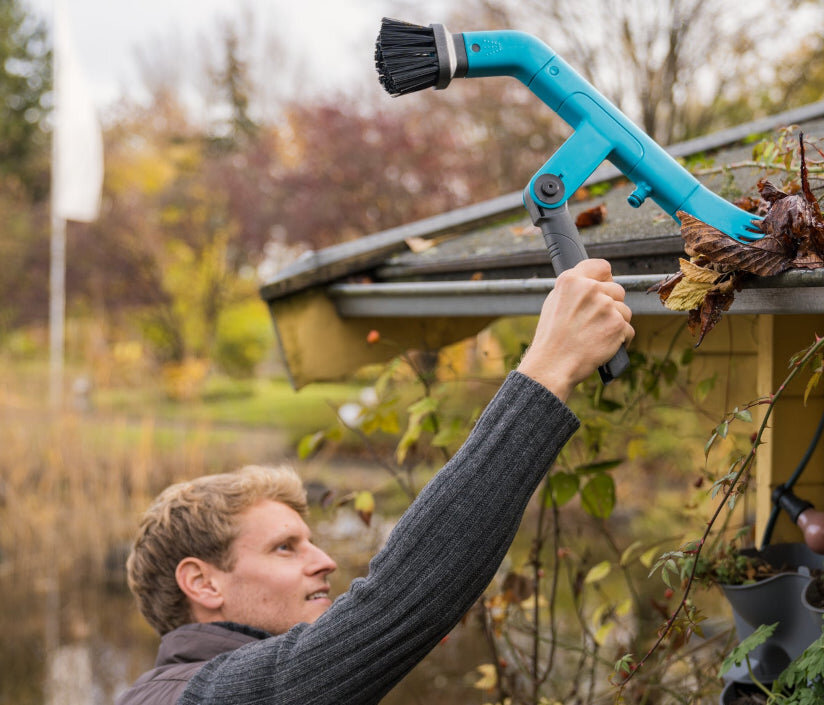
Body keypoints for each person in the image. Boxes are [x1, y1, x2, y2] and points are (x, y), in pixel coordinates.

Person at [116, 259, 634, 705]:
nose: (325, 561)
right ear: (203, 583)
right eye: (283, 548)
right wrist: (551, 366)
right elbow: (394, 604)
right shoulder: (193, 697)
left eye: (308, 541)